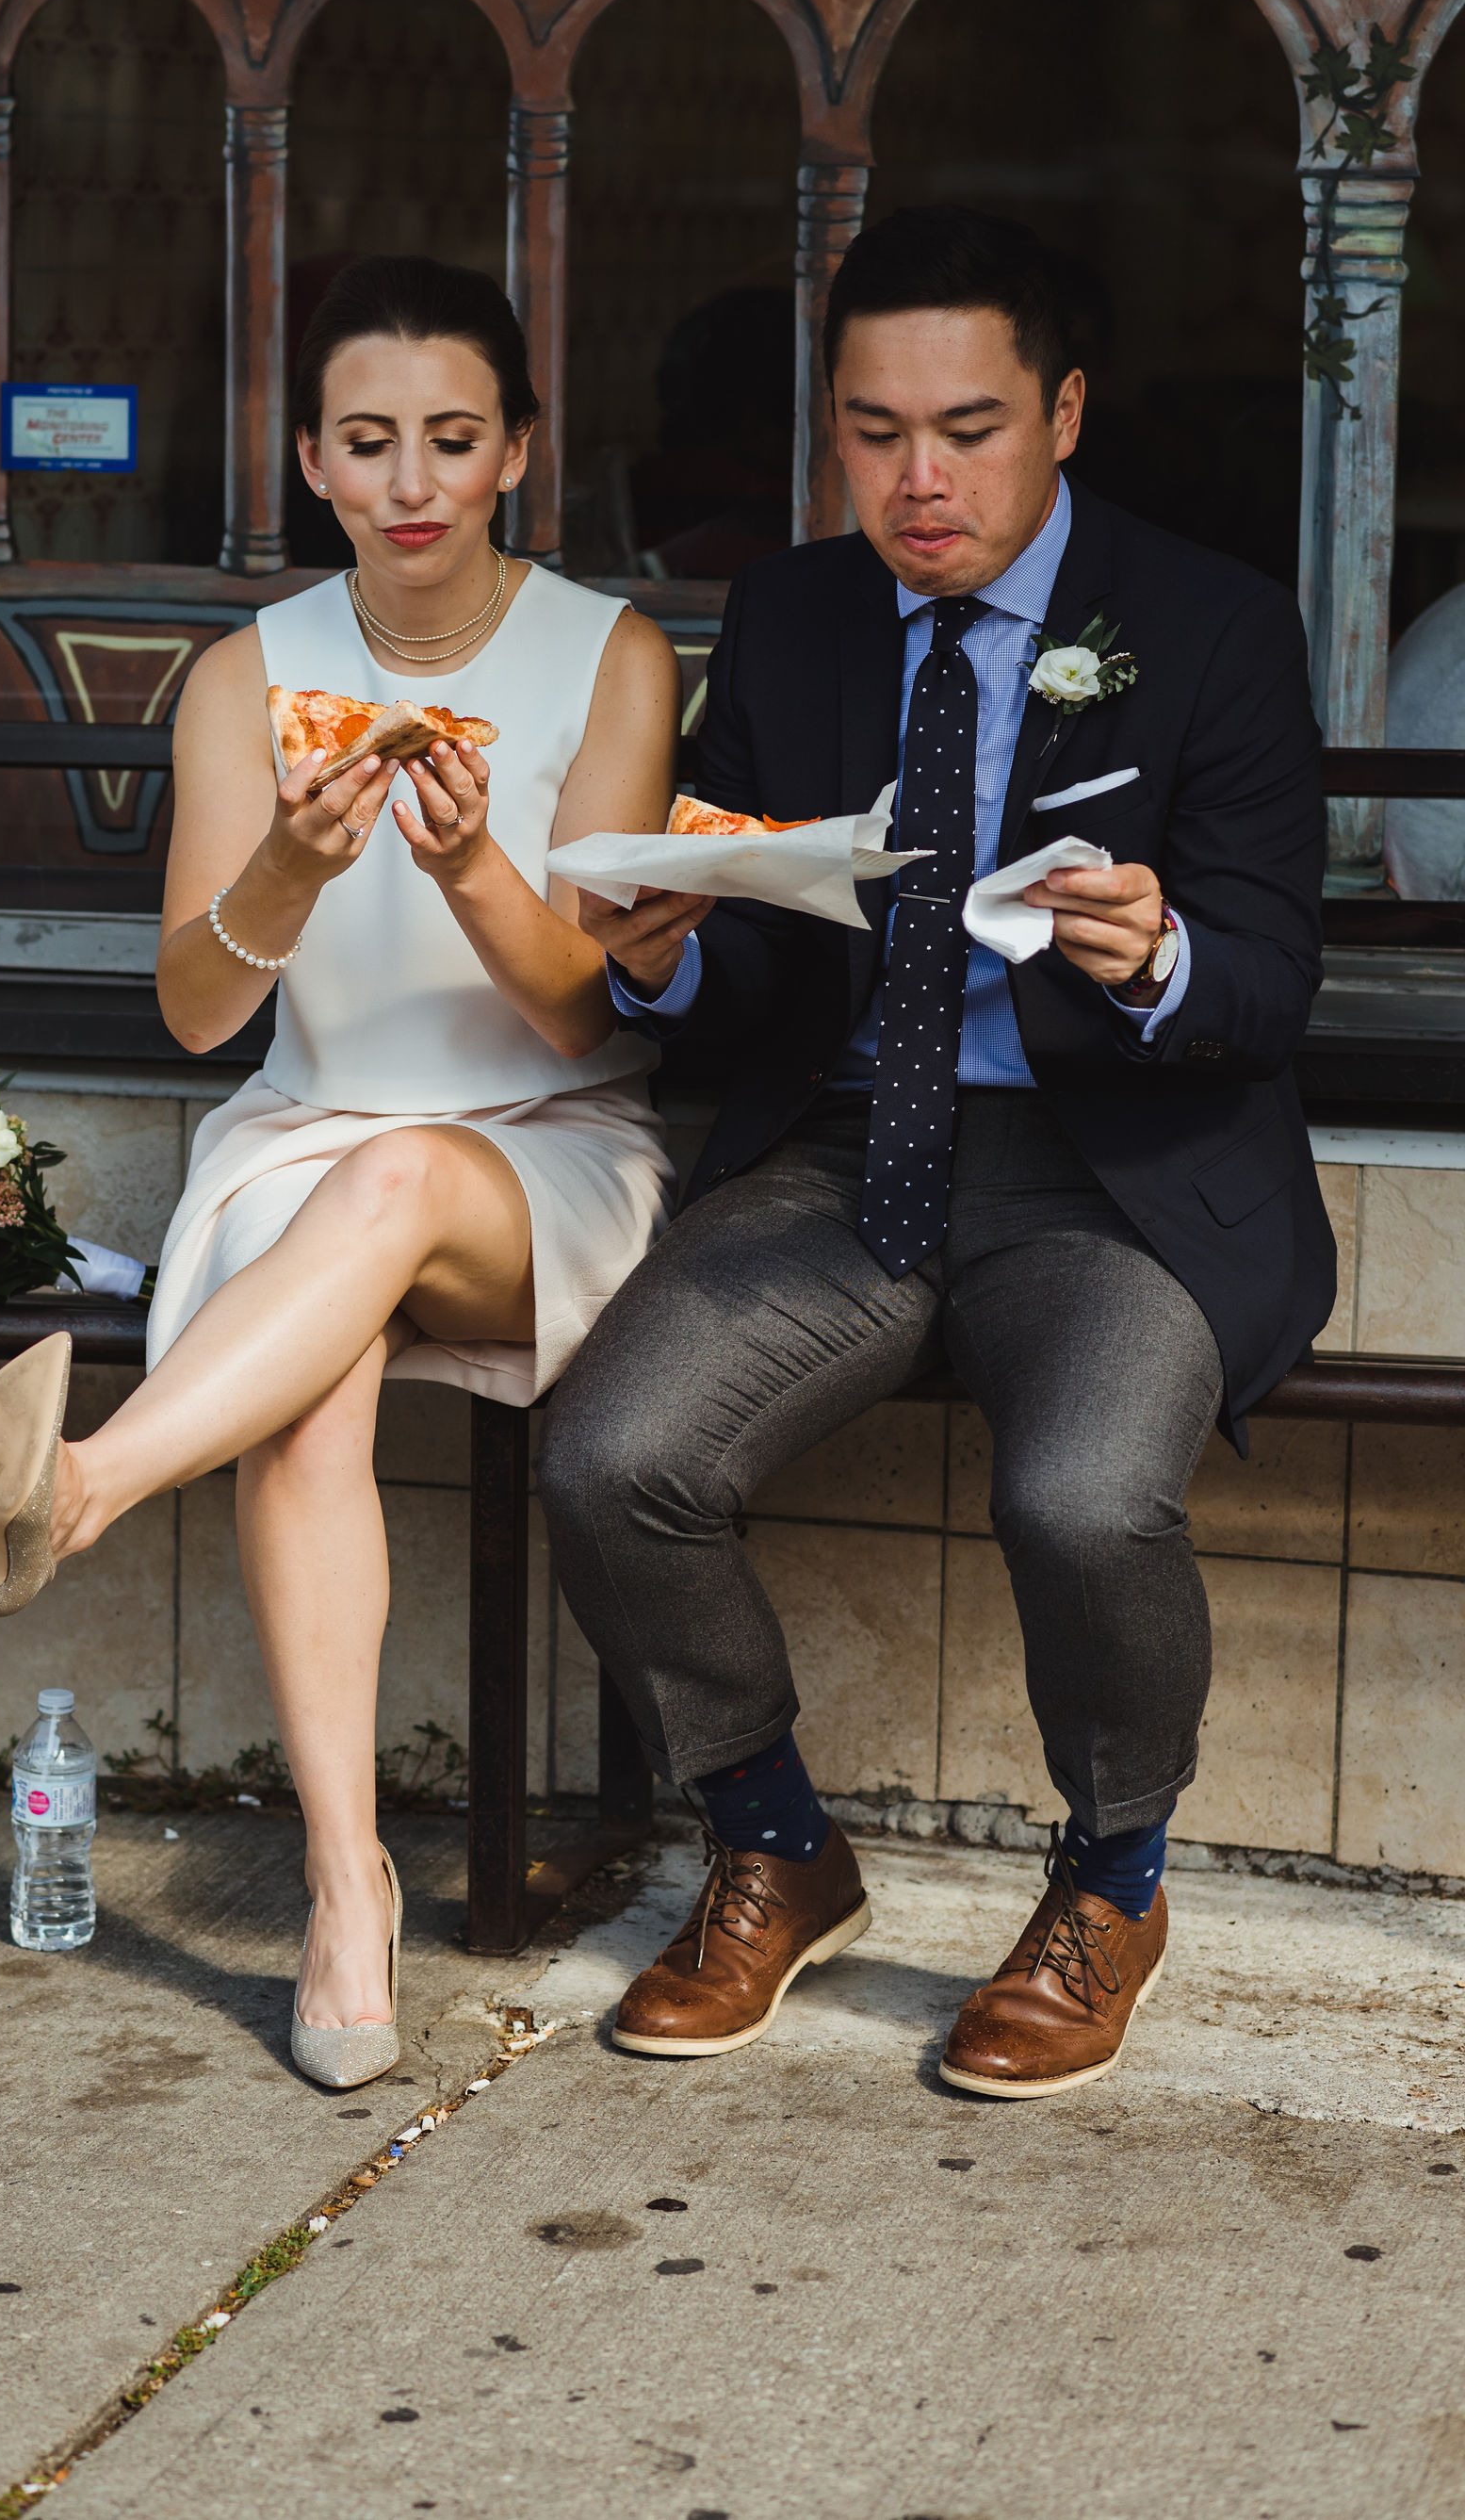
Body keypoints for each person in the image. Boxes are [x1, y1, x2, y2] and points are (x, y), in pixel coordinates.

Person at [541, 205, 1334, 2099]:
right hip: (846, 1162)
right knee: (608, 1449)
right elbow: (758, 963)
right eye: (874, 430)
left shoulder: (1209, 621)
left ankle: (1112, 1878)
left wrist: (1161, 955)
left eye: (964, 429)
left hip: (1111, 1174)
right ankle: (772, 1836)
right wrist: (667, 956)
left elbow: (1272, 980)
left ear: (1061, 411)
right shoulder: (802, 613)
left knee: (1081, 1498)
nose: (917, 479)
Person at [0, 255, 682, 2090]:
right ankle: (349, 1887)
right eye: (367, 441)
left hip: (544, 1155)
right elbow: (197, 1011)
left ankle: (83, 1486)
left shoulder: (610, 657)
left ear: (518, 451)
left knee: (403, 1185)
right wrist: (295, 867)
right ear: (311, 462)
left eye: (450, 436)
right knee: (314, 1365)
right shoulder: (247, 677)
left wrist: (481, 862)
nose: (410, 479)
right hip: (307, 1134)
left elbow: (587, 1019)